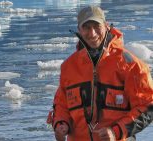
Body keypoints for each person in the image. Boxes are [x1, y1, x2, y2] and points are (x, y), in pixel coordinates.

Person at [47, 5, 153, 141]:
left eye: (96, 26)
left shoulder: (131, 65)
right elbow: (61, 104)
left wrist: (117, 131)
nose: (92, 33)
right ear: (79, 30)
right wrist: (61, 123)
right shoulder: (69, 66)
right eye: (86, 27)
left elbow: (148, 106)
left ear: (106, 26)